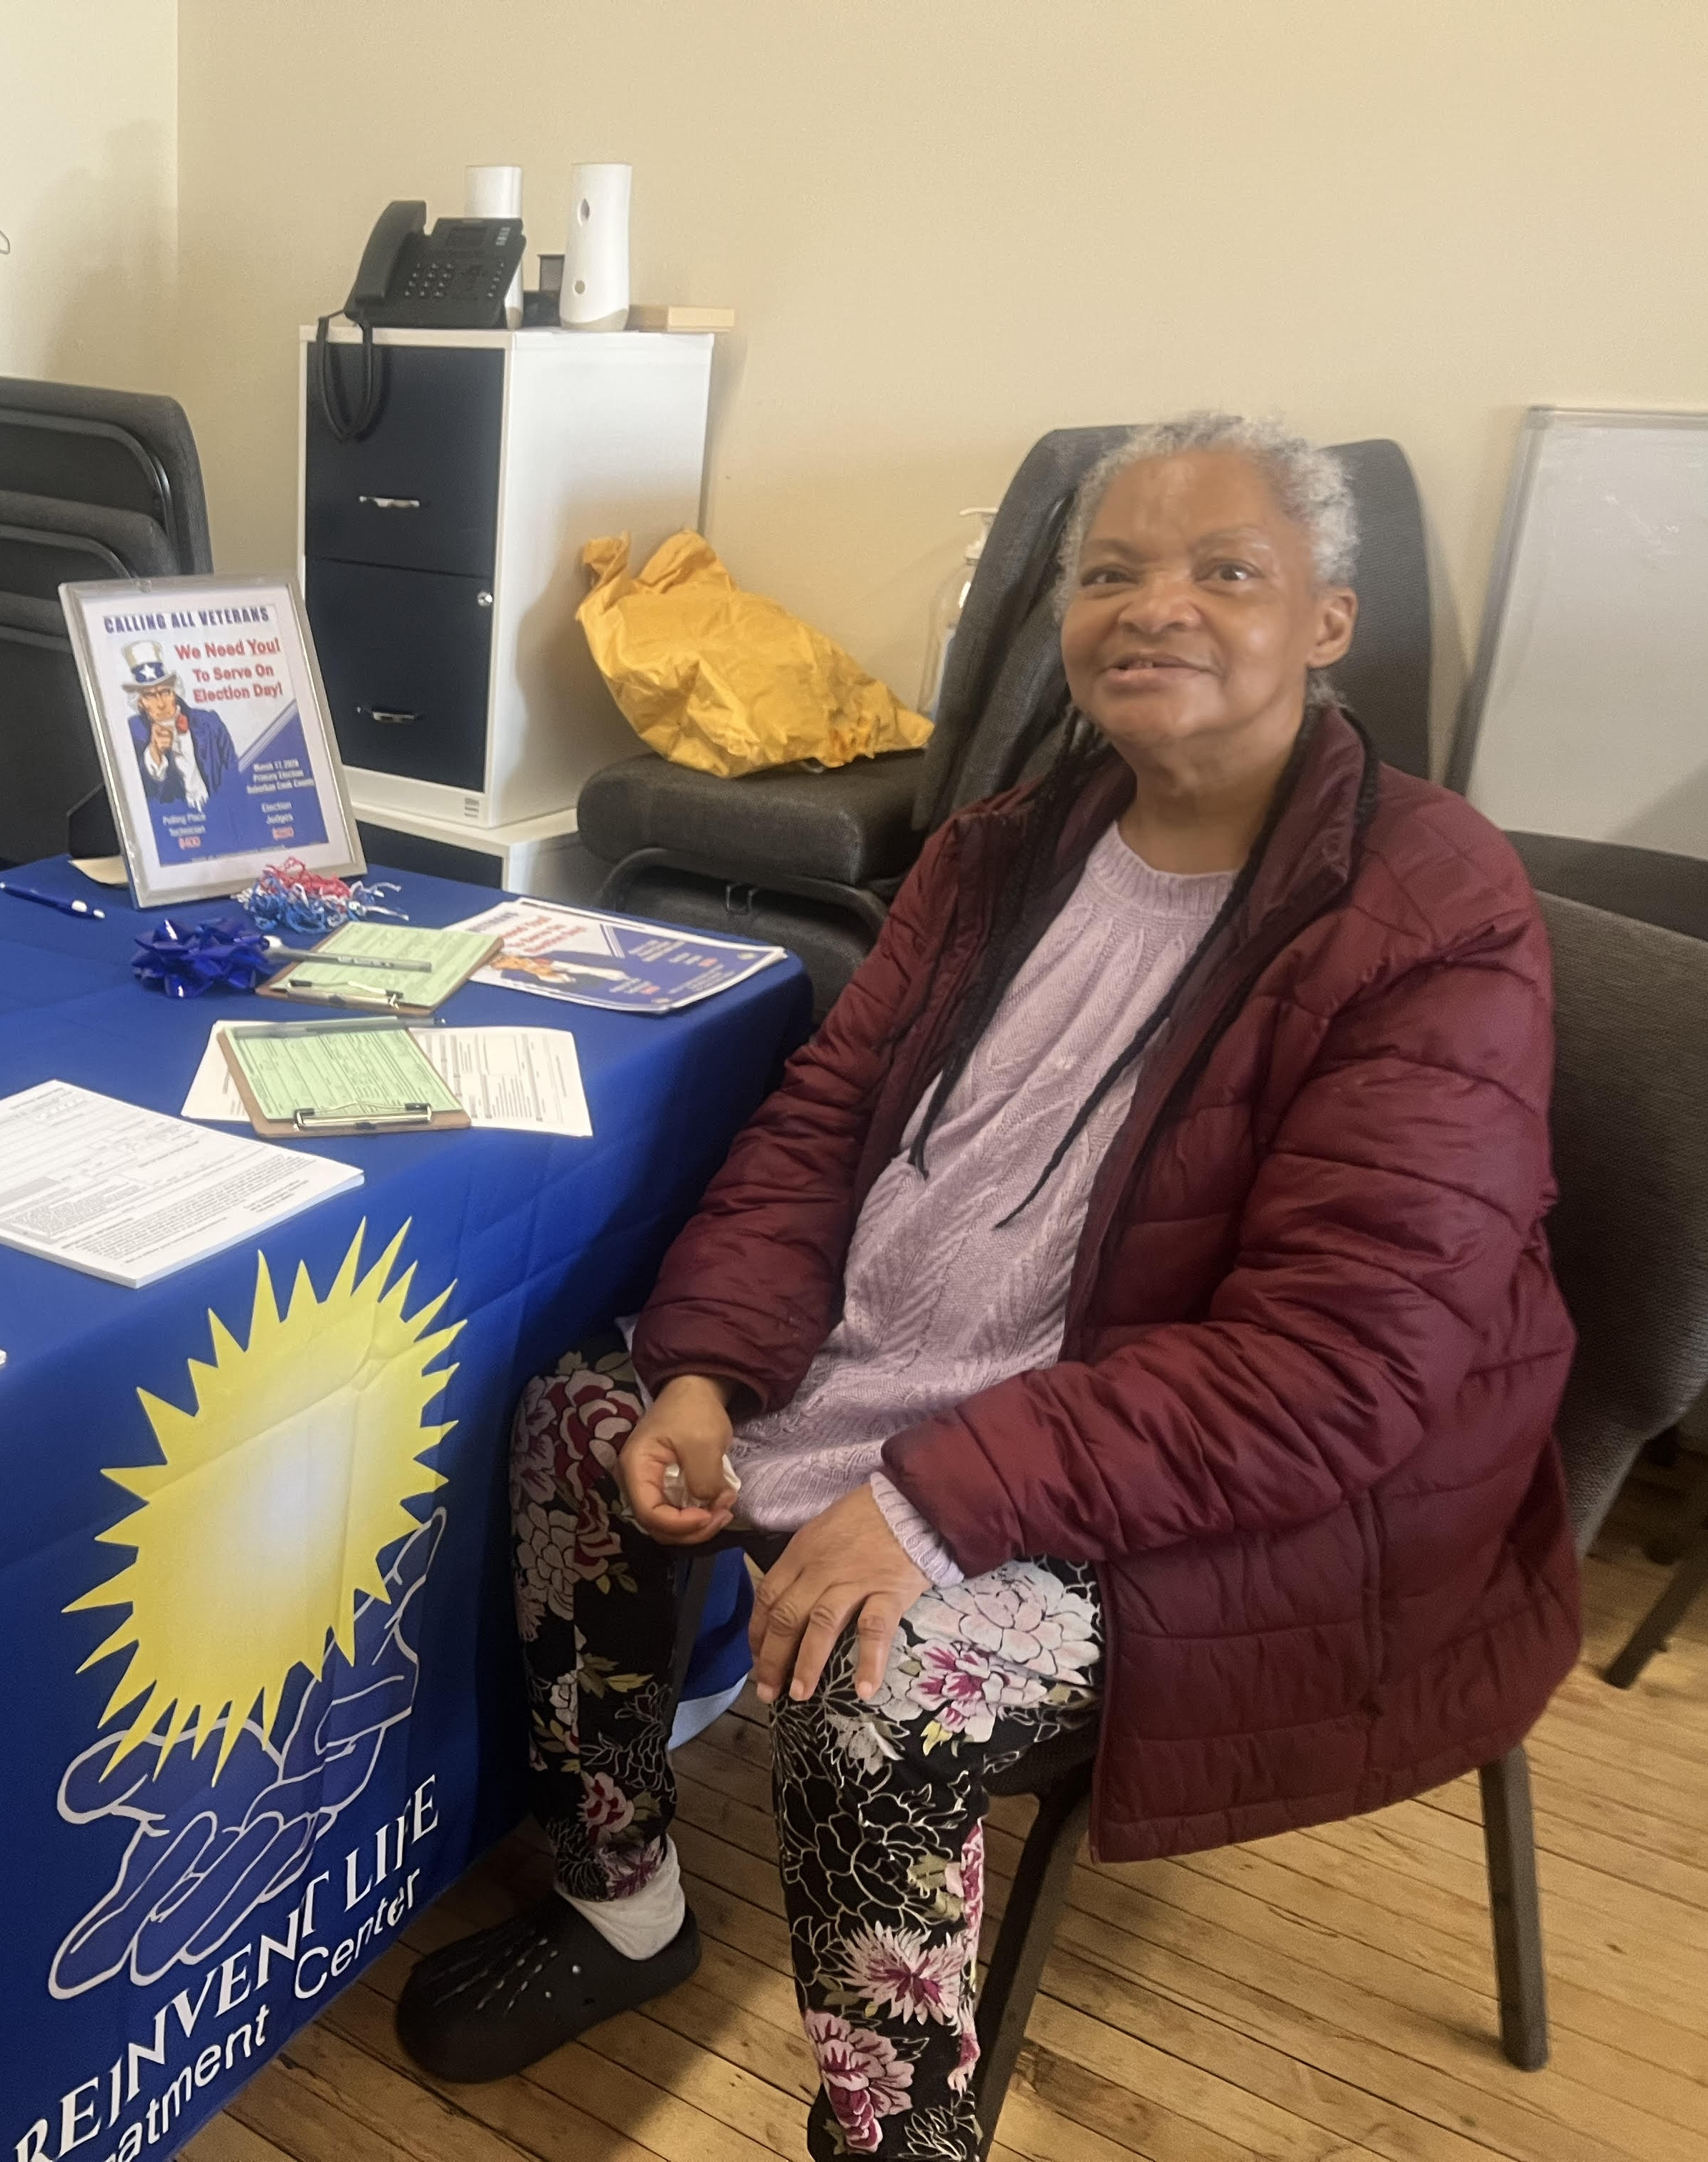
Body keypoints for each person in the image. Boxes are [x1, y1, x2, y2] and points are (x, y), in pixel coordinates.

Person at [394, 414, 1581, 2161]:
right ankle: (621, 1903)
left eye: (1222, 571)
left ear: (1326, 621)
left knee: (871, 1677)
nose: (1151, 608)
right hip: (912, 1385)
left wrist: (934, 1503)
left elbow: (1339, 1370)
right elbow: (818, 1128)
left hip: (1241, 1486)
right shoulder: (1002, 847)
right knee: (593, 1421)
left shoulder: (1430, 904)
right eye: (1110, 573)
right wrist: (711, 1365)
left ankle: (899, 2132)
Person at [121, 643, 239, 814]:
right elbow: (138, 798)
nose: (161, 704)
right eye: (150, 696)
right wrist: (155, 754)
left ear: (175, 692)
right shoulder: (132, 733)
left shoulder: (209, 722)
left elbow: (233, 773)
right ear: (140, 702)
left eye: (165, 692)